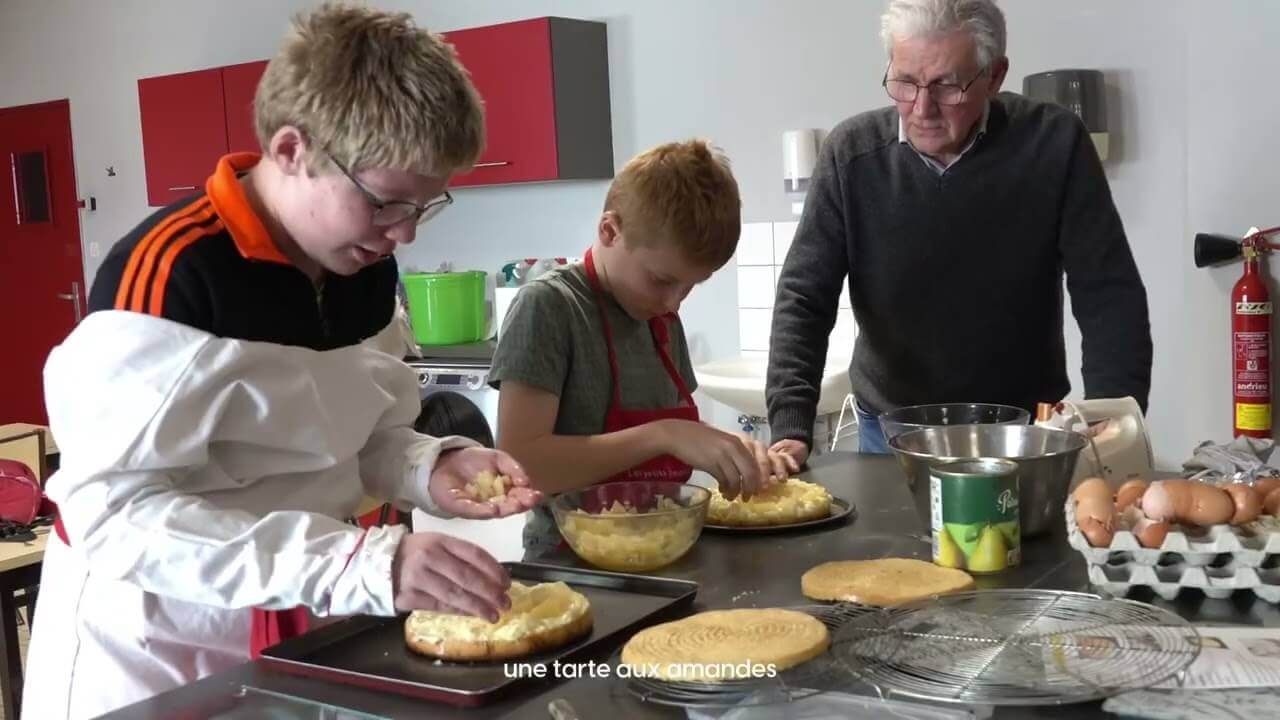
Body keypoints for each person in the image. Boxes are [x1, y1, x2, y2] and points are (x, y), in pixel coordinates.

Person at [22, 6, 541, 717]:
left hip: (305, 613)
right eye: (386, 203)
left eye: (425, 206)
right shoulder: (170, 279)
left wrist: (427, 465)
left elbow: (353, 436)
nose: (405, 234)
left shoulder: (362, 270)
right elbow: (116, 518)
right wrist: (356, 562)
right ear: (293, 149)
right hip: (156, 645)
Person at [767, 0, 1152, 460]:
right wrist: (791, 425)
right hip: (891, 429)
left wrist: (1111, 415)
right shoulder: (851, 154)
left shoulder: (1054, 143)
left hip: (1023, 429)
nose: (921, 108)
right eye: (905, 82)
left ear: (995, 76)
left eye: (947, 86)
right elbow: (804, 297)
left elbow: (1108, 293)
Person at [490, 140, 796, 556]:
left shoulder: (659, 315)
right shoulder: (550, 307)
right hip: (572, 564)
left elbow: (674, 439)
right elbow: (520, 464)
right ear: (610, 231)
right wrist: (664, 434)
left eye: (692, 285)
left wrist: (726, 447)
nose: (674, 303)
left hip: (662, 550)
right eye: (661, 280)